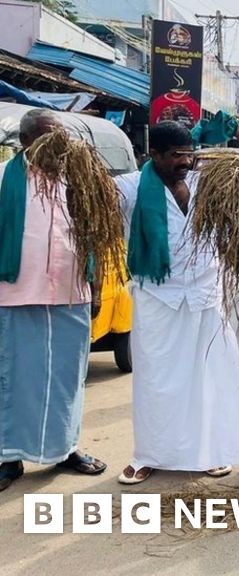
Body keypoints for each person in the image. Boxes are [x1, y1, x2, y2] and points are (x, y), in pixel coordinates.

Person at [116, 120, 239, 484]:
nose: (184, 162)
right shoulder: (131, 187)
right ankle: (148, 455)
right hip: (157, 298)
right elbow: (91, 197)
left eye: (188, 154)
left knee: (207, 378)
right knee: (157, 380)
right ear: (154, 155)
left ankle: (209, 451)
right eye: (176, 156)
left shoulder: (203, 183)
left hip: (205, 295)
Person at [0, 109, 107, 492]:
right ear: (26, 141)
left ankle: (66, 448)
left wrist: (94, 287)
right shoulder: (4, 179)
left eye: (61, 137)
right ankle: (8, 456)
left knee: (67, 375)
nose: (58, 145)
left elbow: (96, 235)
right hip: (14, 292)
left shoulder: (79, 179)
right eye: (48, 137)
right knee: (13, 378)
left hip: (69, 292)